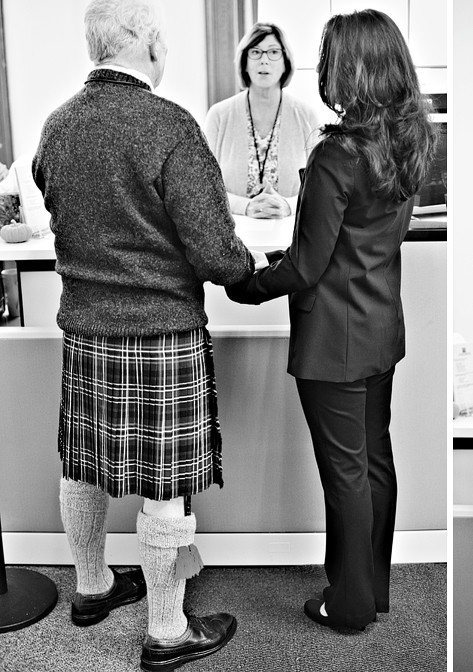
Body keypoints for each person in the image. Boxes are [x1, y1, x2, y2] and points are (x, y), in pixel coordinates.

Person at [32, 1, 268, 669]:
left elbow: (56, 199)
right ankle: (167, 631)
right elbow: (219, 255)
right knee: (164, 483)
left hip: (85, 330)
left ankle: (91, 586)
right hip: (160, 333)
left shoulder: (56, 126)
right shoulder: (169, 125)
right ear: (151, 43)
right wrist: (253, 266)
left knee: (83, 463)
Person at [226, 9, 438, 631]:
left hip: (333, 343)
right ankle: (368, 588)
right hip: (380, 331)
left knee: (346, 474)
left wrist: (246, 284)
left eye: (328, 58)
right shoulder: (406, 141)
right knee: (374, 462)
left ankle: (347, 605)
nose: (321, 68)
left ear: (352, 69)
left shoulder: (336, 155)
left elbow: (305, 266)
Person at [204, 22, 319, 219]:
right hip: (233, 235)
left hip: (291, 236)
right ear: (244, 62)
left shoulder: (307, 116)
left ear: (286, 62)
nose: (264, 60)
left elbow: (319, 188)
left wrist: (288, 206)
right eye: (255, 52)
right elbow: (203, 187)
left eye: (273, 52)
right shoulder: (219, 116)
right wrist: (246, 206)